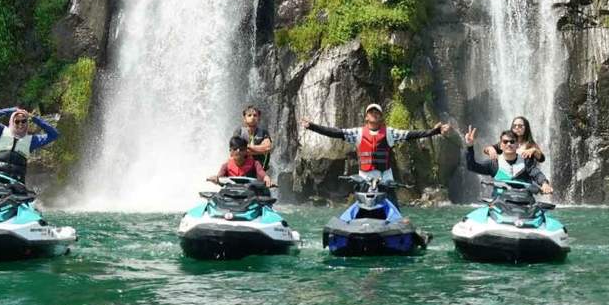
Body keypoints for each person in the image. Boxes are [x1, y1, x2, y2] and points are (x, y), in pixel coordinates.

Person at [301, 103, 451, 184]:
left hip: (385, 179)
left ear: (381, 117)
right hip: (364, 179)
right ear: (366, 117)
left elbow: (411, 134)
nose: (374, 114)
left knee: (391, 204)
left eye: (377, 112)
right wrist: (312, 126)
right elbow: (334, 132)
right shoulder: (357, 133)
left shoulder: (390, 133)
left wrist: (434, 131)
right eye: (371, 112)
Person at [0, 107, 59, 183]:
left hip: (16, 182)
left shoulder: (32, 140)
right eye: (17, 121)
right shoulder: (0, 132)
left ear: (27, 122)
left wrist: (33, 118)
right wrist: (11, 110)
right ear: (12, 121)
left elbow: (54, 134)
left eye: (23, 121)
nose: (20, 124)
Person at [464, 127, 553, 194]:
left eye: (512, 142)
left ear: (517, 145)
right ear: (500, 146)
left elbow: (537, 174)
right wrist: (470, 146)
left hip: (524, 204)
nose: (509, 144)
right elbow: (471, 166)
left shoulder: (526, 162)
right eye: (505, 142)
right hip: (499, 204)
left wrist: (544, 183)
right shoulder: (494, 163)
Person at [208, 136, 274, 188]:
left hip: (251, 194)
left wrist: (267, 178)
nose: (238, 151)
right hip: (230, 194)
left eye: (241, 149)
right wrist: (216, 178)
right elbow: (219, 177)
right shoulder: (226, 165)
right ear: (230, 152)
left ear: (246, 151)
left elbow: (261, 173)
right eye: (235, 149)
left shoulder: (255, 163)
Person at [235, 105, 273, 171]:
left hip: (260, 168)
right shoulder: (239, 131)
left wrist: (248, 147)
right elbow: (236, 151)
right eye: (249, 115)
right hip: (242, 167)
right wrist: (261, 150)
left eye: (255, 115)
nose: (252, 117)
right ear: (244, 119)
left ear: (259, 118)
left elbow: (268, 148)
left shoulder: (264, 132)